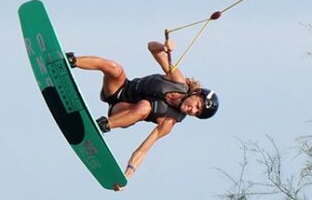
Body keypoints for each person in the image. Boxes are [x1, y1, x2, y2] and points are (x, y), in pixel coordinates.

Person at [66, 38, 219, 188]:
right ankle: (69, 61)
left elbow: (143, 149)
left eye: (196, 113)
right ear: (195, 93)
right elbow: (152, 47)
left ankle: (101, 126)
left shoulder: (169, 121)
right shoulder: (177, 80)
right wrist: (163, 47)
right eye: (197, 105)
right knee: (113, 67)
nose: (193, 110)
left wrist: (126, 176)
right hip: (119, 89)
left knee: (145, 107)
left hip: (122, 112)